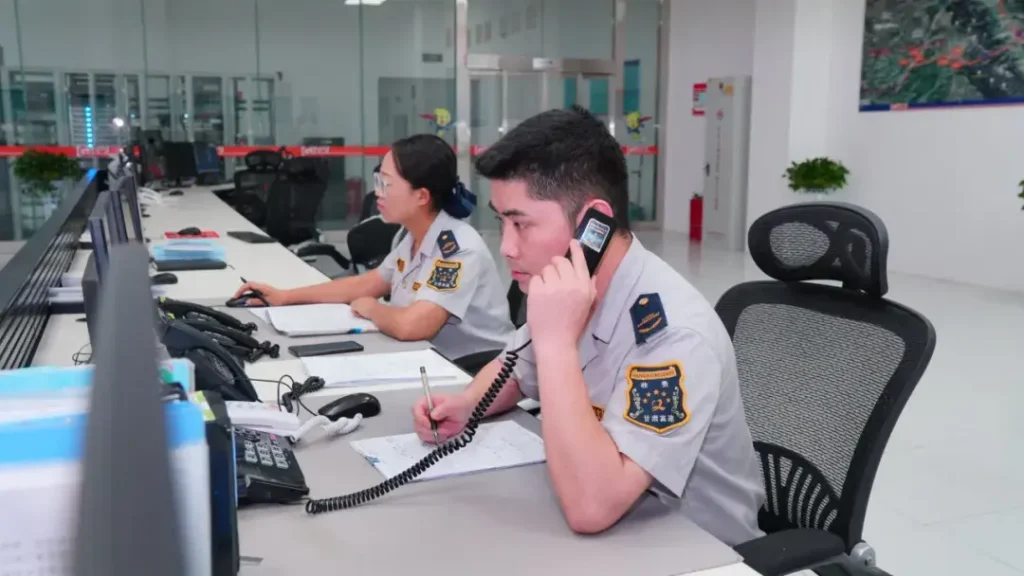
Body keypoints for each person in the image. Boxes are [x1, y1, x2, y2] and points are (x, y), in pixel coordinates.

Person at [411, 107, 765, 546]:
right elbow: (514, 369)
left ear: (592, 222)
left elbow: (592, 507)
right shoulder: (572, 286)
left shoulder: (674, 334)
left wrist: (557, 343)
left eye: (521, 223)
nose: (506, 247)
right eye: (502, 222)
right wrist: (466, 405)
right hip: (619, 529)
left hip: (695, 544)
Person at [233, 134, 514, 361]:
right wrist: (285, 297)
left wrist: (371, 309)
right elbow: (368, 283)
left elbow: (413, 326)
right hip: (426, 359)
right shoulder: (411, 236)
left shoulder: (457, 249)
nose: (377, 191)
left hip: (472, 371)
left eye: (386, 184)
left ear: (421, 195)